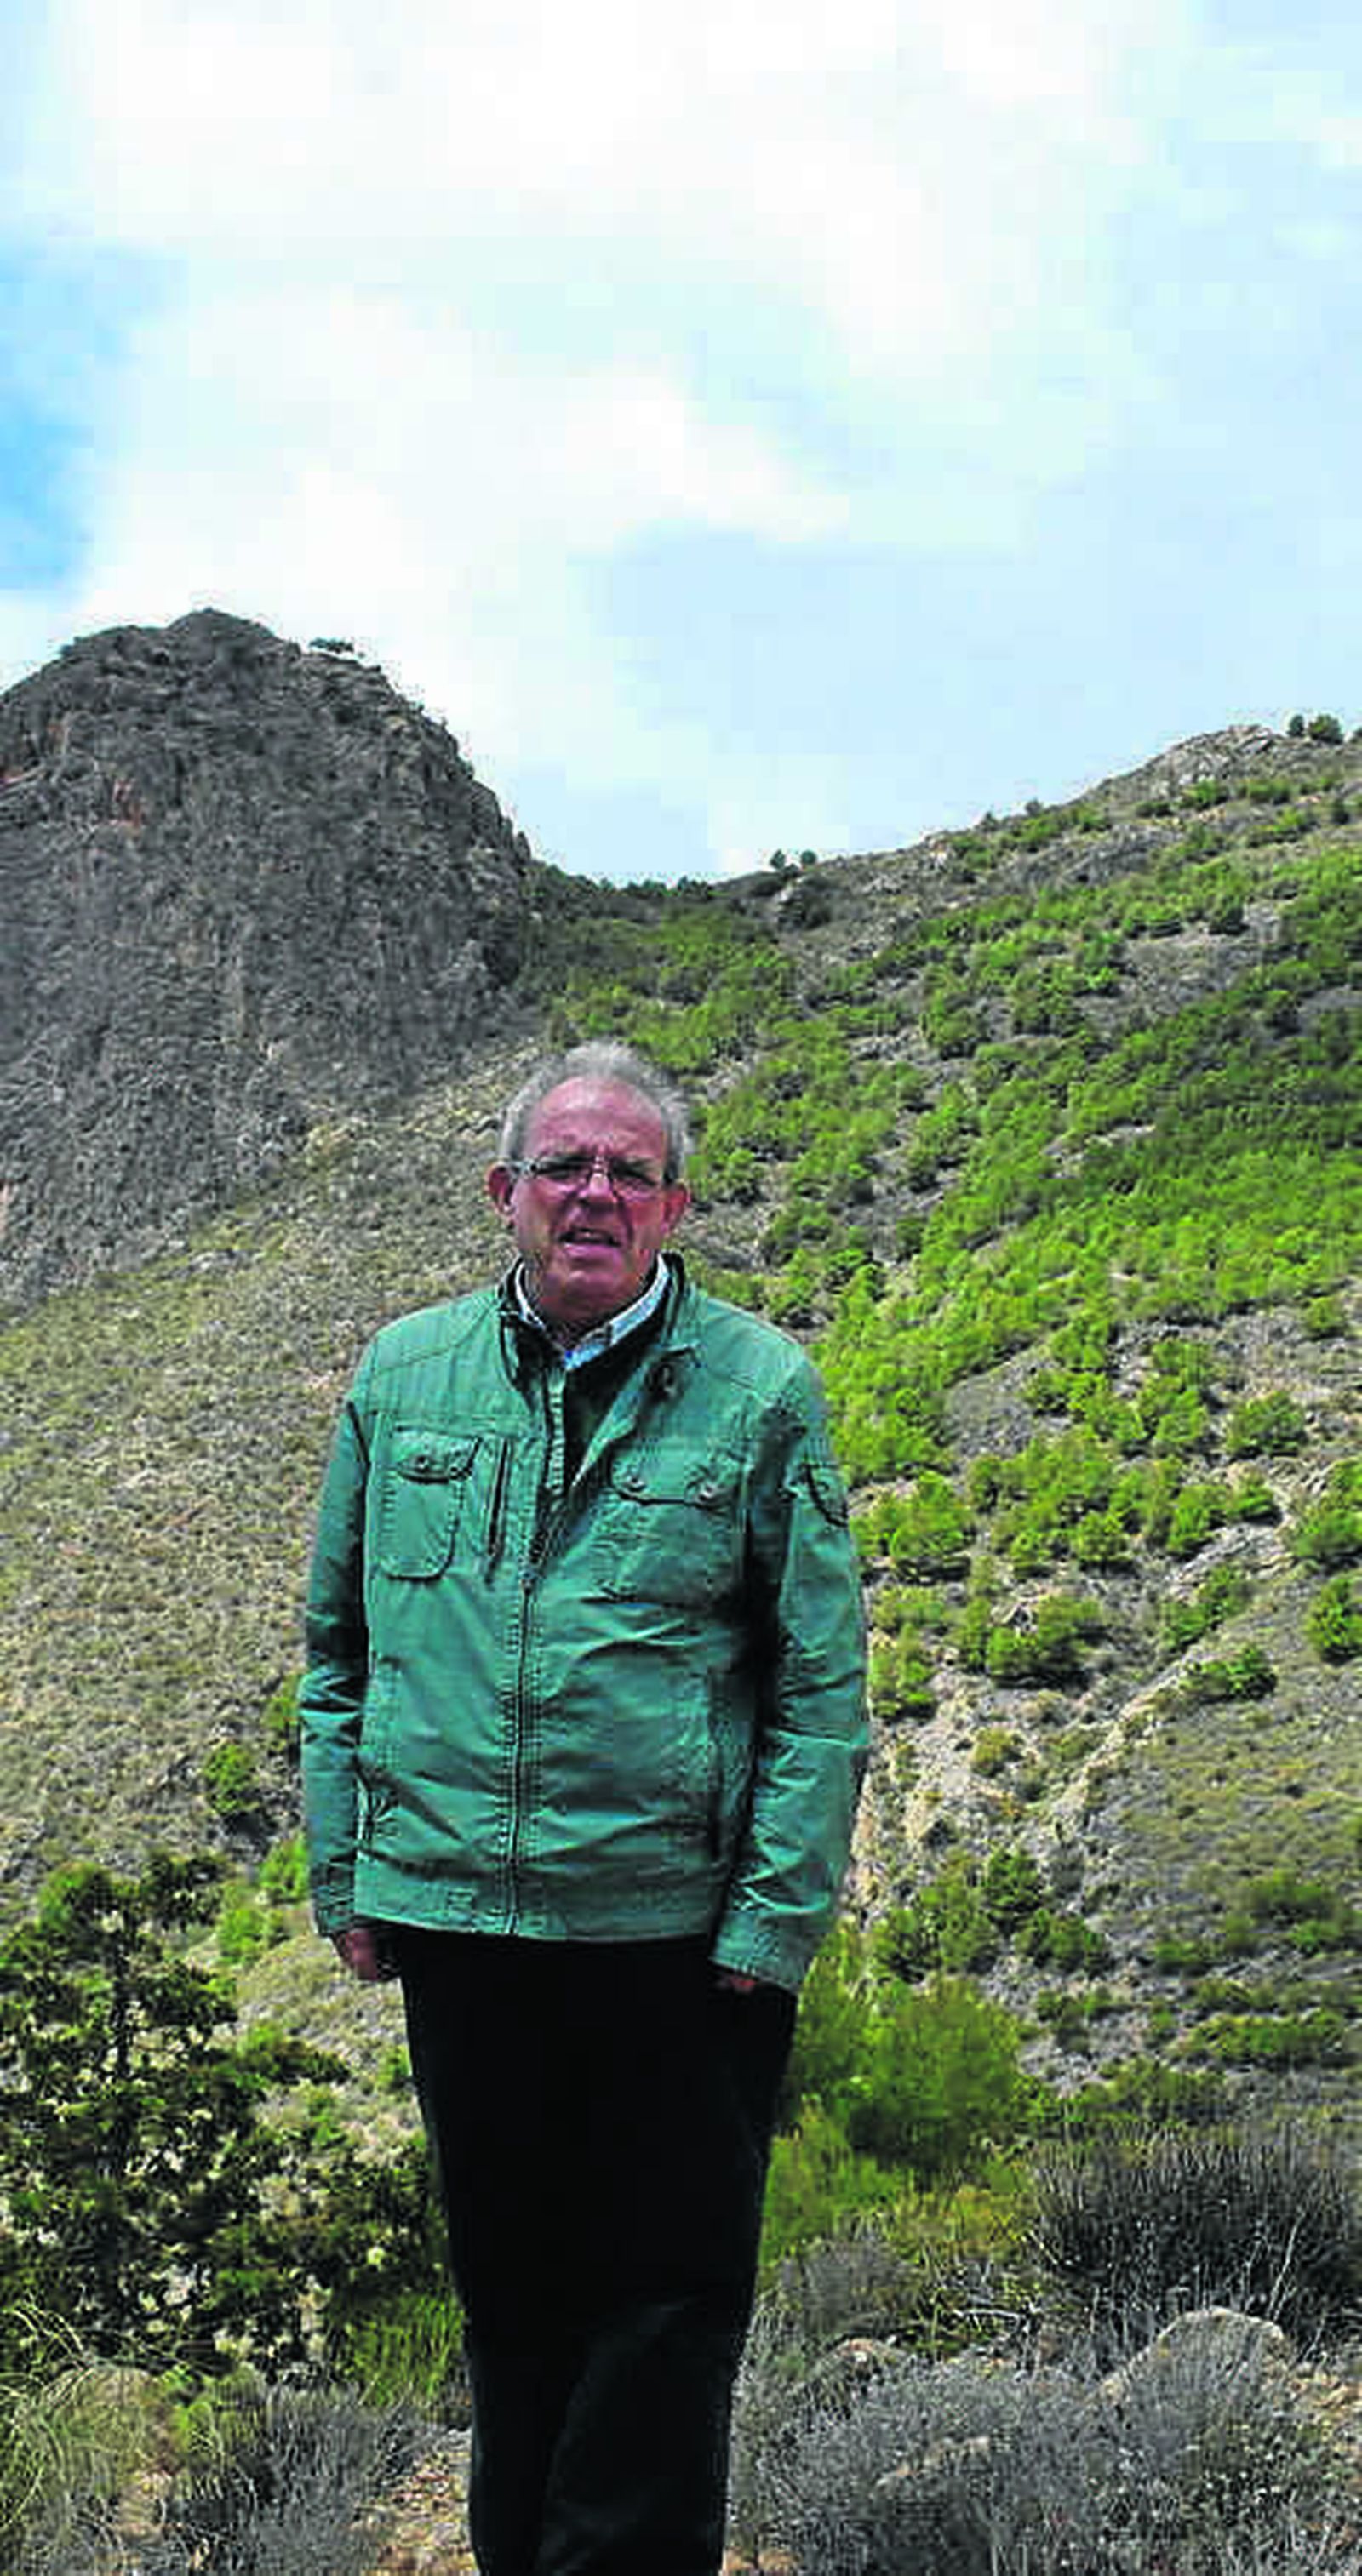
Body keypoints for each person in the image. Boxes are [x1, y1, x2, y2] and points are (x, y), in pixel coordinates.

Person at [300, 1038, 867, 2576]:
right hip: (464, 1927)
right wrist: (343, 1876)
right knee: (514, 2303)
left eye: (630, 1170)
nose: (596, 1193)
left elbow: (822, 1684)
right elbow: (338, 1650)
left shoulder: (760, 1390)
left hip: (678, 1942)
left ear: (674, 1207)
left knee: (667, 2314)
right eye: (567, 1166)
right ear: (507, 1194)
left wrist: (773, 1916)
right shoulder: (401, 1373)